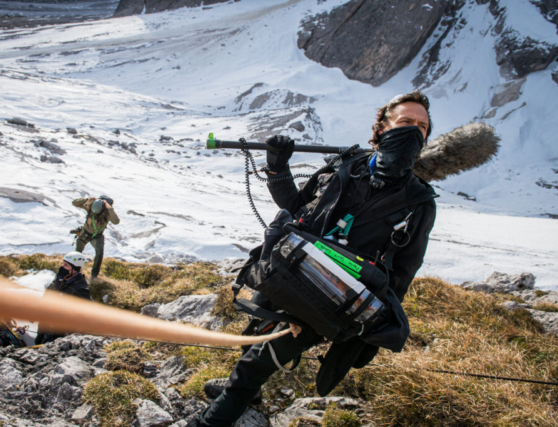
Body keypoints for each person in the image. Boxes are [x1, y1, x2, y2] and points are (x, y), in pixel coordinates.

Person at [187, 90, 437, 427]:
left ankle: (217, 414)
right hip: (287, 269)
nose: (413, 130)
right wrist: (277, 168)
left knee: (259, 362)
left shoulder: (420, 202)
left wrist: (371, 323)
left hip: (333, 296)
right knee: (255, 331)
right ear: (382, 128)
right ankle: (250, 392)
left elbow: (404, 271)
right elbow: (293, 204)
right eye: (405, 122)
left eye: (421, 127)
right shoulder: (345, 165)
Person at [35, 251, 91, 344]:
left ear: (75, 269)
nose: (62, 267)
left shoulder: (80, 289)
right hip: (45, 325)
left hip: (60, 332)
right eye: (63, 264)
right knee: (38, 342)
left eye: (66, 265)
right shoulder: (59, 279)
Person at [72, 195, 120, 280]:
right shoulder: (91, 207)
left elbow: (116, 221)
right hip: (85, 233)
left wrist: (110, 209)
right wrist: (87, 200)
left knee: (99, 253)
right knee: (78, 252)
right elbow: (74, 203)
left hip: (97, 236)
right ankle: (74, 270)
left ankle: (94, 275)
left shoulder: (108, 213)